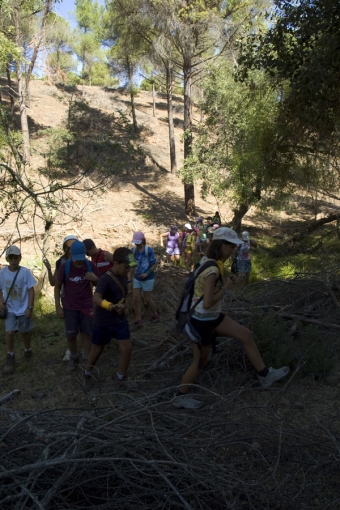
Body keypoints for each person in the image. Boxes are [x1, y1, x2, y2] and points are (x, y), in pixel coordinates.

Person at [173, 227, 290, 410]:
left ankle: (265, 375)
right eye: (231, 246)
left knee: (246, 335)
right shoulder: (212, 268)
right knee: (199, 361)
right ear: (221, 246)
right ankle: (180, 396)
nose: (234, 250)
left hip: (212, 317)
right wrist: (226, 288)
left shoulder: (212, 262)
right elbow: (208, 302)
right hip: (202, 320)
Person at [84, 248, 137, 391]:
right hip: (103, 320)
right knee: (97, 350)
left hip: (119, 319)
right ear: (116, 263)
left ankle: (121, 378)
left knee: (127, 348)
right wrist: (111, 306)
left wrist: (122, 306)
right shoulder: (105, 278)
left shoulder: (124, 276)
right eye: (126, 267)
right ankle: (87, 374)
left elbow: (121, 295)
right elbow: (96, 298)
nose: (128, 270)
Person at [54, 241, 100, 371]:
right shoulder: (65, 267)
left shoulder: (90, 266)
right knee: (71, 335)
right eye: (77, 259)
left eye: (81, 259)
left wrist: (94, 278)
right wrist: (58, 306)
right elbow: (57, 286)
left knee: (86, 334)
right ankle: (74, 357)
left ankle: (87, 359)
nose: (79, 263)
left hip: (86, 304)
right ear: (70, 254)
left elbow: (100, 285)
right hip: (69, 306)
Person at [0, 246, 36, 375]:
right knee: (9, 332)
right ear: (7, 259)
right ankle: (10, 355)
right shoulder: (3, 273)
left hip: (23, 307)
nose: (14, 260)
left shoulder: (25, 272)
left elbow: (31, 289)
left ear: (20, 258)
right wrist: (0, 302)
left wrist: (29, 307)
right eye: (11, 258)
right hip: (9, 308)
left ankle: (27, 349)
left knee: (24, 332)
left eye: (16, 257)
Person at [130, 231, 158, 328]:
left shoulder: (148, 250)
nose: (136, 243)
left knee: (147, 299)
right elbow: (131, 265)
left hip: (148, 278)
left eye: (138, 241)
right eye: (135, 242)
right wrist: (130, 278)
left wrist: (147, 273)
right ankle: (138, 319)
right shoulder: (132, 251)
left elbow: (154, 264)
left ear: (142, 240)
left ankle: (155, 313)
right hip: (137, 278)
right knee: (136, 299)